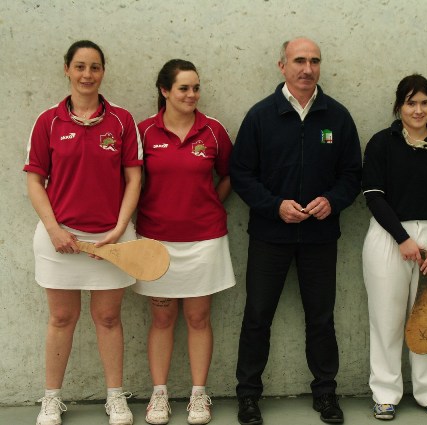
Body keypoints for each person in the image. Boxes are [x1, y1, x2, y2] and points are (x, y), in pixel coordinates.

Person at [230, 37, 362, 425]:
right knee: (257, 316)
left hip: (320, 238)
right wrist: (275, 206)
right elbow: (241, 173)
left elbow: (352, 174)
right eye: (299, 61)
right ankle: (249, 396)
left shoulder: (337, 117)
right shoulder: (260, 116)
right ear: (282, 66)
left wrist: (332, 201)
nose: (307, 68)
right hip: (270, 236)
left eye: (315, 61)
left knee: (321, 318)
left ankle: (325, 392)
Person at [24, 40, 142, 425]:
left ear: (103, 71)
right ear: (67, 70)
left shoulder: (122, 121)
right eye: (79, 67)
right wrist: (55, 230)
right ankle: (51, 399)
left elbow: (134, 178)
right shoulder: (48, 121)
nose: (87, 75)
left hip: (111, 238)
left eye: (94, 67)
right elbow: (34, 181)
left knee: (108, 318)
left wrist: (119, 230)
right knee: (61, 318)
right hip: (60, 238)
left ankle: (115, 398)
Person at [132, 59, 235, 425]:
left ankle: (198, 395)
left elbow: (229, 174)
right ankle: (158, 396)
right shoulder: (143, 131)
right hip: (155, 242)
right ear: (164, 91)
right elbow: (131, 182)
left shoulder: (213, 131)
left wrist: (208, 205)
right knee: (161, 319)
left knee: (198, 317)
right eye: (183, 89)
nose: (191, 95)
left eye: (195, 88)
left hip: (204, 240)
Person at [362, 74, 427, 421]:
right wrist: (402, 240)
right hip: (389, 238)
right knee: (387, 319)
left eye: (424, 103)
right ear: (399, 106)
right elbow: (373, 197)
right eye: (411, 102)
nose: (418, 109)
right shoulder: (381, 143)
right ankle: (385, 393)